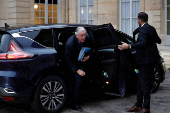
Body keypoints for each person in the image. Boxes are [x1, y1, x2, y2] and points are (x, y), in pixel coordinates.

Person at [118, 12, 161, 113]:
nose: (137, 21)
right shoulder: (152, 28)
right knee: (140, 83)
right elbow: (158, 41)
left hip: (144, 62)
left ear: (140, 20)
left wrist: (129, 46)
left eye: (137, 19)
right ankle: (138, 104)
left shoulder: (142, 29)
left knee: (144, 84)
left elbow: (142, 43)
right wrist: (151, 46)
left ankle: (146, 107)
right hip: (151, 61)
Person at [65, 27, 92, 111]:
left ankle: (85, 96)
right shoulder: (70, 44)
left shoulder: (87, 38)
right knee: (78, 80)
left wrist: (89, 56)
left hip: (83, 61)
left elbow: (93, 47)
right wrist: (77, 70)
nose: (83, 37)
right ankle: (74, 104)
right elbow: (67, 59)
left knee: (88, 77)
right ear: (76, 35)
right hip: (72, 65)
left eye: (85, 35)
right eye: (81, 36)